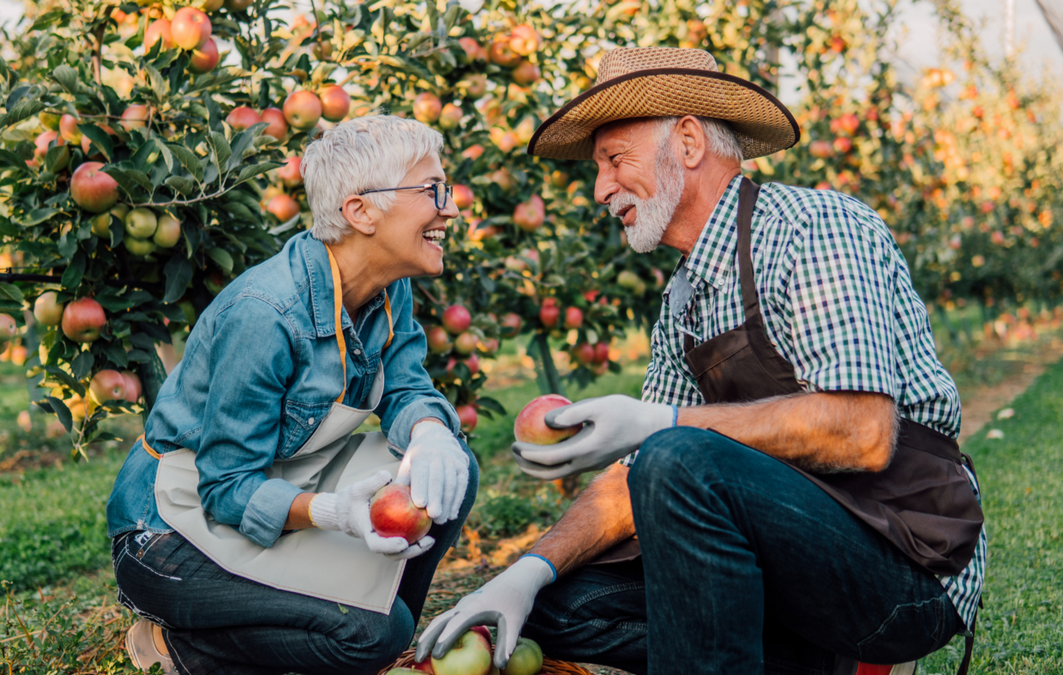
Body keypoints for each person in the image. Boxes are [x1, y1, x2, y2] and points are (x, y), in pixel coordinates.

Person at [417, 48, 985, 675]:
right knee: (553, 610)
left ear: (687, 142)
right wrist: (526, 572)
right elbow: (633, 477)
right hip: (784, 558)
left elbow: (863, 432)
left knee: (678, 456)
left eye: (614, 160)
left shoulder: (814, 228)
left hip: (902, 563)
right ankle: (803, 663)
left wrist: (660, 426)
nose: (601, 187)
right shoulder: (682, 302)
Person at [105, 114, 478, 675]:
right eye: (433, 192)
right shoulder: (265, 314)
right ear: (360, 211)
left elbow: (405, 385)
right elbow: (226, 487)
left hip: (281, 477)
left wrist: (429, 431)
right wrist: (332, 513)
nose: (450, 208)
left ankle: (353, 646)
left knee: (449, 474)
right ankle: (180, 647)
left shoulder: (385, 286)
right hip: (169, 530)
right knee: (373, 632)